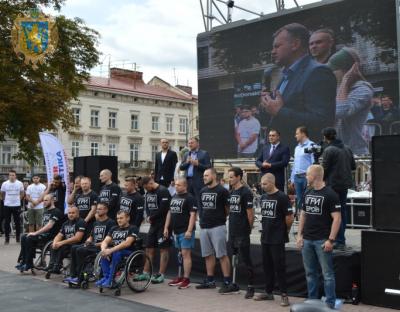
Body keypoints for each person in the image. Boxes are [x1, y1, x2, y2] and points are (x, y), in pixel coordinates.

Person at [260, 23, 337, 147]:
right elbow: (275, 118)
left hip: (302, 158)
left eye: (277, 46)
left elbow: (323, 121)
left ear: (295, 44)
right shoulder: (286, 76)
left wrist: (280, 111)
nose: (273, 52)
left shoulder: (318, 72)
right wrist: (267, 106)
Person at [296, 165, 341, 309]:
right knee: (310, 273)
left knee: (327, 274)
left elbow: (337, 218)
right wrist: (299, 235)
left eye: (307, 175)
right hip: (307, 239)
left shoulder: (330, 194)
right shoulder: (307, 192)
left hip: (322, 240)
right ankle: (312, 302)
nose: (305, 177)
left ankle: (330, 304)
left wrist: (331, 239)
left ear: (314, 176)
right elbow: (303, 214)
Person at [196, 168, 238, 294]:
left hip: (218, 226)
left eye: (206, 175)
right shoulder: (202, 190)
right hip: (204, 227)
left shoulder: (222, 191)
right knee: (208, 255)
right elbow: (201, 207)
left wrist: (220, 218)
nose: (204, 177)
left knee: (222, 255)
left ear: (213, 176)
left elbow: (228, 208)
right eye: (203, 175)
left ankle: (227, 282)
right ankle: (210, 281)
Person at [254, 173, 293, 306]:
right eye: (262, 184)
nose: (262, 186)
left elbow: (289, 217)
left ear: (272, 182)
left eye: (265, 184)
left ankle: (284, 295)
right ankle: (268, 292)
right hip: (265, 237)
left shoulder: (282, 197)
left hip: (277, 238)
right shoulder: (263, 197)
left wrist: (284, 230)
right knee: (267, 266)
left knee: (279, 266)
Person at [328, 47, 374, 155]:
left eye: (333, 70)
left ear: (347, 70)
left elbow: (341, 112)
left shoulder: (363, 89)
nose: (330, 73)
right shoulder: (335, 88)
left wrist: (345, 81)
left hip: (354, 153)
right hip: (334, 152)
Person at [64, 202, 115, 285]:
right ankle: (73, 275)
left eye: (100, 209)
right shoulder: (96, 223)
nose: (97, 211)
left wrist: (98, 244)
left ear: (106, 210)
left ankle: (80, 278)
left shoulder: (111, 223)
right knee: (74, 248)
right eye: (97, 209)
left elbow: (111, 240)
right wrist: (88, 240)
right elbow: (91, 236)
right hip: (92, 245)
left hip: (102, 247)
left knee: (80, 250)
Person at [321, 127, 355, 249]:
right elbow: (353, 166)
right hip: (344, 184)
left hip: (333, 185)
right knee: (342, 212)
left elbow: (324, 169)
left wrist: (319, 180)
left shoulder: (329, 150)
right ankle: (340, 239)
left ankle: (338, 240)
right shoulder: (347, 148)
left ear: (325, 137)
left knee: (335, 213)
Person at [163, 177, 197, 289]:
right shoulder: (174, 196)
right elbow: (169, 212)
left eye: (179, 185)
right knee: (180, 254)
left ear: (185, 186)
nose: (176, 186)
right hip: (175, 231)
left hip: (185, 231)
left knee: (186, 255)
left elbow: (193, 215)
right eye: (175, 185)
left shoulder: (190, 198)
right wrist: (166, 227)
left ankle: (186, 279)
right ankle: (179, 276)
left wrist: (189, 230)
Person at [137, 176, 171, 284]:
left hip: (163, 224)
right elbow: (147, 205)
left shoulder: (163, 191)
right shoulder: (148, 193)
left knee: (163, 249)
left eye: (147, 187)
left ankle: (161, 274)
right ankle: (146, 273)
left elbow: (164, 208)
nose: (146, 190)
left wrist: (152, 217)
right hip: (153, 224)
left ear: (151, 183)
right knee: (149, 248)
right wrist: (147, 216)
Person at [227, 167, 255, 298]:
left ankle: (251, 286)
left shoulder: (246, 192)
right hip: (232, 229)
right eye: (229, 177)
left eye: (232, 177)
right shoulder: (232, 191)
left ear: (239, 177)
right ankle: (233, 284)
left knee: (246, 259)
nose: (229, 179)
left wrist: (248, 229)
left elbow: (250, 214)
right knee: (233, 257)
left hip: (242, 231)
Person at [16, 194, 63, 272]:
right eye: (43, 200)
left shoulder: (56, 212)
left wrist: (36, 233)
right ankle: (24, 261)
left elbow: (49, 226)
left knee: (29, 238)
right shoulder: (45, 211)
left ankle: (28, 263)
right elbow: (43, 226)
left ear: (52, 201)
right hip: (44, 235)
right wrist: (35, 233)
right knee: (24, 236)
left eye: (46, 200)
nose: (44, 202)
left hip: (51, 236)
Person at [96, 210, 138, 288]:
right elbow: (105, 241)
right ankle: (106, 277)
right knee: (103, 253)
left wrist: (111, 250)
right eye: (118, 218)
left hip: (128, 252)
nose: (119, 220)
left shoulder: (133, 228)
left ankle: (111, 279)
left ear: (128, 218)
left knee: (116, 252)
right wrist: (104, 250)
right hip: (115, 251)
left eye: (121, 218)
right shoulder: (114, 228)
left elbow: (127, 243)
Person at [46, 206, 86, 275]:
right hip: (67, 244)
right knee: (52, 245)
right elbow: (59, 235)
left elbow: (77, 238)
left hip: (78, 244)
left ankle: (57, 266)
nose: (71, 214)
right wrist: (55, 243)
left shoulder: (81, 222)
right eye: (69, 213)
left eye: (73, 213)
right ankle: (52, 265)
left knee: (62, 246)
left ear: (77, 213)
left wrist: (61, 243)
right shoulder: (65, 223)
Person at [179, 137, 211, 215]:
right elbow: (181, 167)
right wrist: (187, 162)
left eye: (192, 143)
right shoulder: (186, 154)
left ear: (197, 143)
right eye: (189, 143)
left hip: (199, 181)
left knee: (199, 201)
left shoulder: (204, 153)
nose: (190, 144)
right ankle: (189, 218)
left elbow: (208, 167)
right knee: (188, 200)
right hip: (188, 181)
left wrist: (197, 164)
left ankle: (202, 218)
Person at [289, 126, 314, 214]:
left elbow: (314, 163)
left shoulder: (312, 146)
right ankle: (302, 221)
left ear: (303, 134)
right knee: (300, 201)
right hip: (297, 178)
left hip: (307, 177)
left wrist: (311, 178)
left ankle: (310, 220)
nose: (295, 136)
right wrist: (292, 179)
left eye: (297, 133)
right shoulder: (297, 148)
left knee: (309, 199)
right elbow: (295, 164)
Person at [0, 170, 24, 244]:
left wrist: (18, 199)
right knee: (7, 222)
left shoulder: (19, 183)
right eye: (10, 175)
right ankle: (7, 238)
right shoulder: (5, 183)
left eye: (13, 175)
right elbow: (2, 193)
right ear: (8, 176)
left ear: (15, 176)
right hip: (7, 205)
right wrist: (4, 200)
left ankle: (18, 238)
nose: (11, 176)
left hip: (16, 205)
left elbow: (22, 193)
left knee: (17, 222)